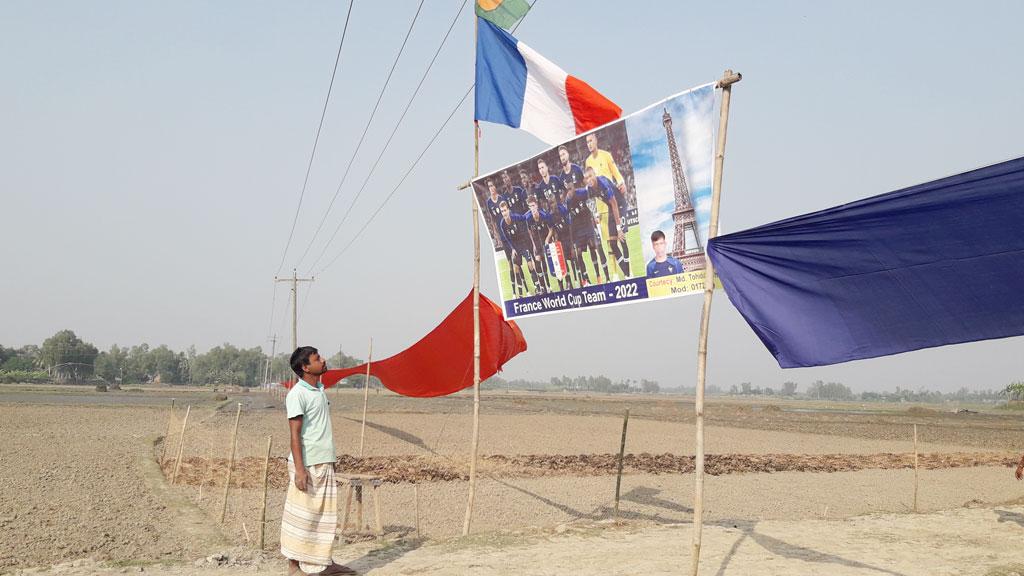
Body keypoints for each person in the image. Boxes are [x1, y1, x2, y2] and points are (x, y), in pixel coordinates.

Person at [279, 347, 354, 576]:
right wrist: (299, 470)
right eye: (317, 359)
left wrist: (331, 459)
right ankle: (294, 566)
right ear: (305, 367)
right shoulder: (297, 394)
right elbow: (295, 435)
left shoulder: (319, 389)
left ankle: (325, 562)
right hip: (308, 464)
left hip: (324, 461)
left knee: (326, 517)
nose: (323, 361)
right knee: (301, 516)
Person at [584, 132, 632, 279]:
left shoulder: (606, 156)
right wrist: (595, 214)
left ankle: (629, 273)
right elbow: (588, 194)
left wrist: (621, 181)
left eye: (591, 140)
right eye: (587, 142)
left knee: (621, 237)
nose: (589, 144)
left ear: (596, 140)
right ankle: (616, 273)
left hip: (615, 202)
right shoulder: (587, 163)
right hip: (603, 207)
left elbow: (615, 172)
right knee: (610, 243)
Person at [559, 145, 607, 285]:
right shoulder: (561, 176)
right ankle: (585, 280)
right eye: (560, 155)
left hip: (585, 214)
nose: (562, 157)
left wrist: (592, 211)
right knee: (578, 251)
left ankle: (599, 276)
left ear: (568, 154)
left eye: (564, 154)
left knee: (593, 247)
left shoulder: (577, 169)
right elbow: (564, 196)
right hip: (574, 219)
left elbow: (586, 188)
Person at [498, 200, 543, 296]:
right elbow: (507, 238)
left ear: (508, 210)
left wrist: (530, 211)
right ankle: (521, 294)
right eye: (502, 211)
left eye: (505, 210)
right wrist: (512, 249)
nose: (504, 213)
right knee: (516, 269)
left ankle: (538, 287)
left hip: (523, 243)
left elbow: (524, 217)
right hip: (515, 247)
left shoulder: (515, 217)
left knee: (530, 264)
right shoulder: (502, 224)